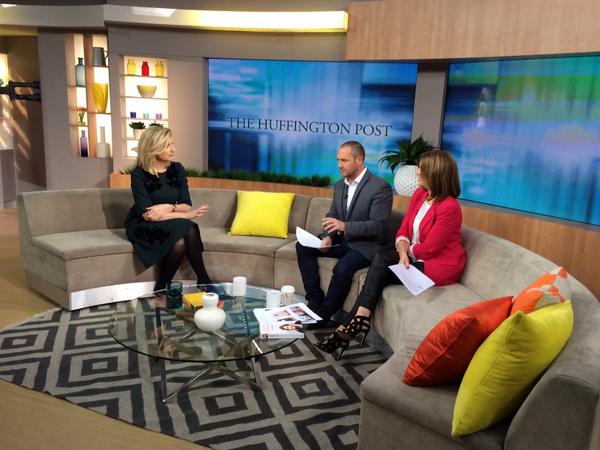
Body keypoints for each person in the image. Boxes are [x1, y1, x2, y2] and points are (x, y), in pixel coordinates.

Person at [316, 149, 467, 358]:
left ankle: (351, 325)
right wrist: (403, 250)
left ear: (435, 173)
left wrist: (404, 251)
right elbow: (403, 229)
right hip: (413, 255)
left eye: (421, 169)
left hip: (437, 265)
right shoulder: (420, 194)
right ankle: (359, 319)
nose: (417, 172)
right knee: (380, 265)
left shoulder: (450, 207)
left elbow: (429, 249)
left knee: (380, 268)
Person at [296, 140, 393, 329]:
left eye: (344, 160)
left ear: (359, 160)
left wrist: (345, 226)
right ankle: (315, 298)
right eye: (338, 160)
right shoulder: (340, 185)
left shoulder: (380, 187)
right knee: (303, 246)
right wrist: (328, 236)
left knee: (342, 268)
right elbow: (332, 215)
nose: (339, 165)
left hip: (368, 245)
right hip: (343, 240)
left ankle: (323, 316)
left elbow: (378, 226)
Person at [124, 124, 213, 293]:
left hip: (169, 221)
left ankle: (161, 287)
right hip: (143, 225)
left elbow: (186, 205)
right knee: (188, 227)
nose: (173, 149)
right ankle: (204, 280)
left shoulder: (177, 169)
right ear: (153, 147)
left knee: (180, 242)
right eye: (167, 145)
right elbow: (149, 215)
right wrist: (185, 216)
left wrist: (168, 207)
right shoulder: (138, 174)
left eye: (173, 143)